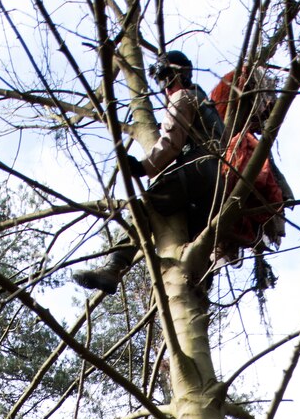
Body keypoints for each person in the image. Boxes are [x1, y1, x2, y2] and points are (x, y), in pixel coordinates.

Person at [74, 49, 227, 296]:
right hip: (217, 186)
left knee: (147, 207)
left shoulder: (183, 99)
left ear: (180, 75)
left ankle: (113, 268)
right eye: (162, 83)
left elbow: (171, 144)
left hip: (196, 172)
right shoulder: (208, 107)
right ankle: (201, 285)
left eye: (167, 80)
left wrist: (143, 167)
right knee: (194, 238)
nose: (166, 89)